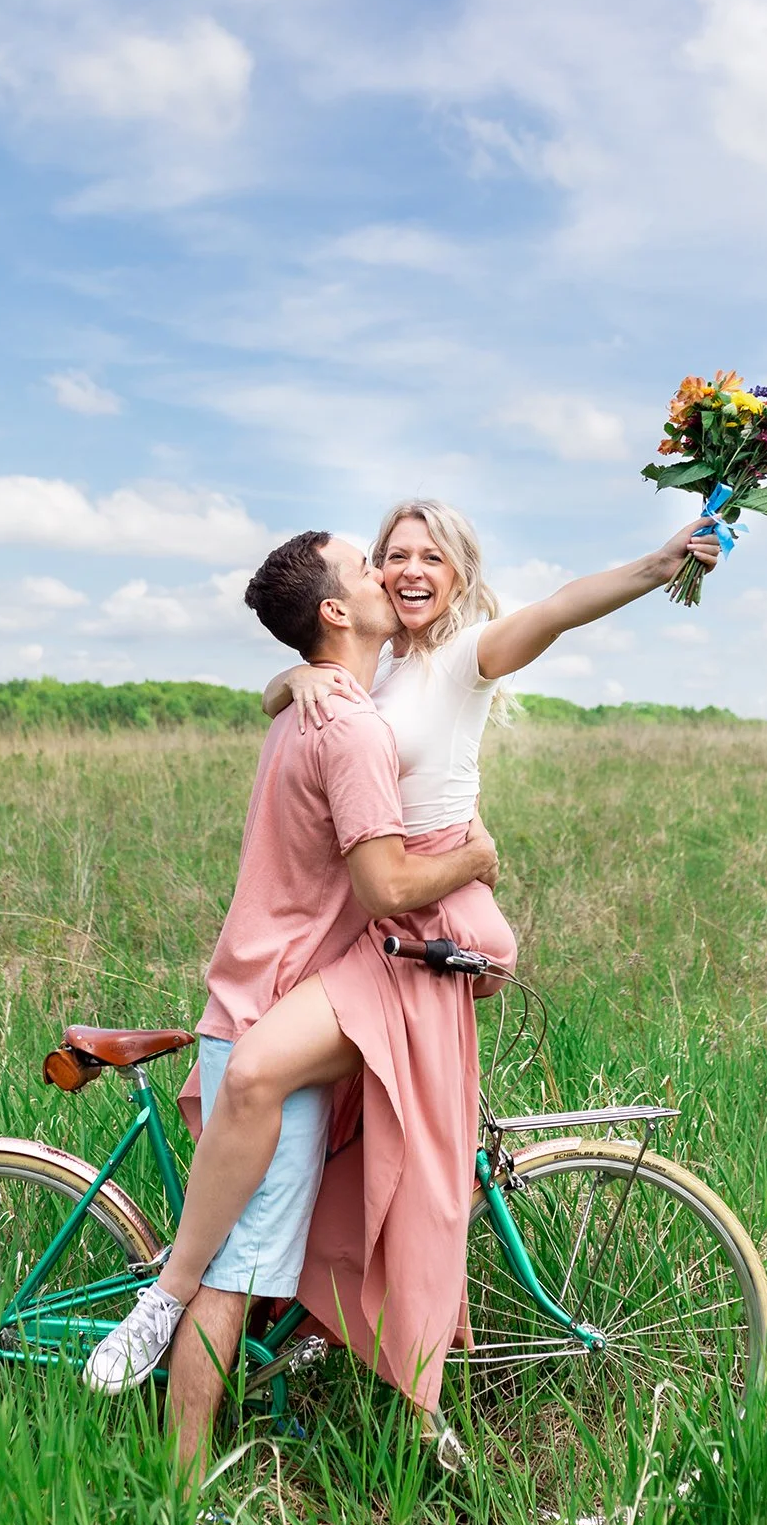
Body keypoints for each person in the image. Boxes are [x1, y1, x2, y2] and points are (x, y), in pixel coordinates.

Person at [83, 530, 500, 1476]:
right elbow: (389, 886)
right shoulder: (349, 728)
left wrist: (292, 679)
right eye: (368, 566)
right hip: (279, 1008)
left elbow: (303, 690)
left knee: (250, 1262)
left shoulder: (308, 708)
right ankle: (182, 1496)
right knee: (231, 1278)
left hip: (255, 992)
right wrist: (476, 857)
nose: (391, 573)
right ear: (337, 613)